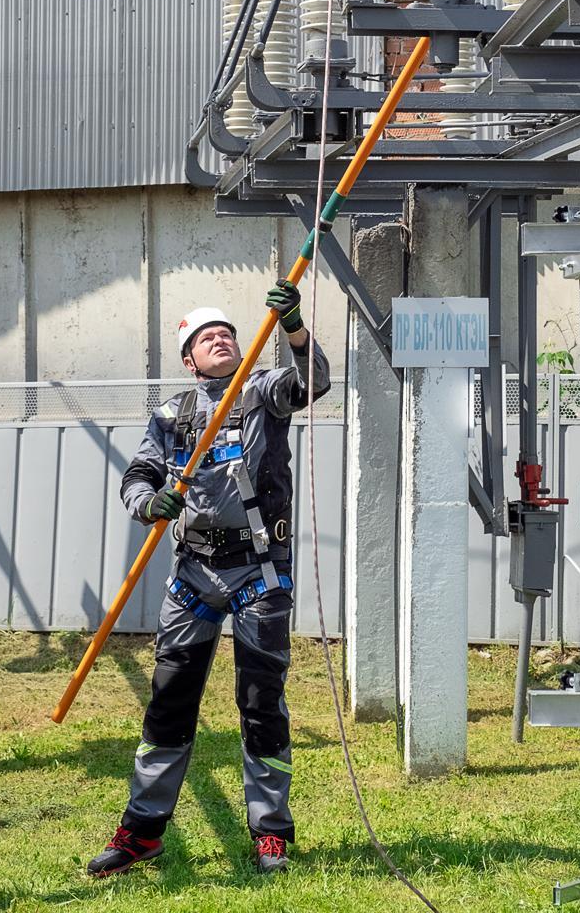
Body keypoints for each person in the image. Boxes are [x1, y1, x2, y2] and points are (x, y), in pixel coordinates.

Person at [87, 280, 329, 879]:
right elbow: (136, 479)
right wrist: (150, 504)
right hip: (193, 575)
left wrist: (295, 329)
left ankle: (270, 834)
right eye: (205, 338)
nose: (219, 339)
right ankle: (142, 833)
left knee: (260, 703)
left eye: (226, 333)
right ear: (189, 359)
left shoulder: (263, 392)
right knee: (169, 702)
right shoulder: (170, 416)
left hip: (260, 573)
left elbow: (314, 382)